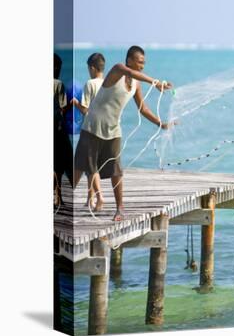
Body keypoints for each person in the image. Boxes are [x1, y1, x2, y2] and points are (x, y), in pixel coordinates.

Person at [74, 45, 172, 220]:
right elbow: (132, 73)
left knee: (116, 170)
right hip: (92, 127)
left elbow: (142, 107)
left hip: (113, 130)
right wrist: (155, 82)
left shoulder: (136, 84)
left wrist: (160, 124)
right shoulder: (117, 69)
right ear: (129, 60)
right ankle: (61, 201)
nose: (142, 65)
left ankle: (120, 209)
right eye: (139, 62)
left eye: (144, 63)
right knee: (80, 167)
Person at [71, 52, 106, 208]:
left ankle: (99, 197)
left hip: (89, 129)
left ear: (92, 68)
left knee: (85, 165)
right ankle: (89, 199)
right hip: (104, 130)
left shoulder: (90, 84)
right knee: (89, 164)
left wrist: (76, 103)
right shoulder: (107, 84)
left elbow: (85, 110)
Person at [53, 53, 73, 207]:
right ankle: (58, 197)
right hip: (56, 129)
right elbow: (61, 110)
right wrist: (72, 104)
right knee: (61, 162)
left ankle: (57, 197)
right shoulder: (58, 84)